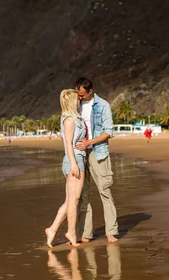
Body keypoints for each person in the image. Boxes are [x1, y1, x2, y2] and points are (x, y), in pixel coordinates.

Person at [74, 77, 119, 243]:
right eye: (77, 94)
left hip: (97, 152)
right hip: (79, 154)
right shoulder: (75, 106)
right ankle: (86, 234)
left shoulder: (103, 105)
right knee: (83, 194)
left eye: (82, 95)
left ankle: (111, 231)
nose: (80, 97)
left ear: (90, 91)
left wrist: (89, 143)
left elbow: (108, 132)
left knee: (104, 191)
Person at [45, 89, 87, 248]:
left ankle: (52, 229)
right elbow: (68, 144)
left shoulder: (74, 118)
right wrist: (74, 163)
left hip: (76, 159)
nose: (79, 101)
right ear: (71, 101)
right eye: (77, 99)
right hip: (73, 160)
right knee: (74, 200)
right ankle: (70, 232)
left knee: (71, 200)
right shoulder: (69, 120)